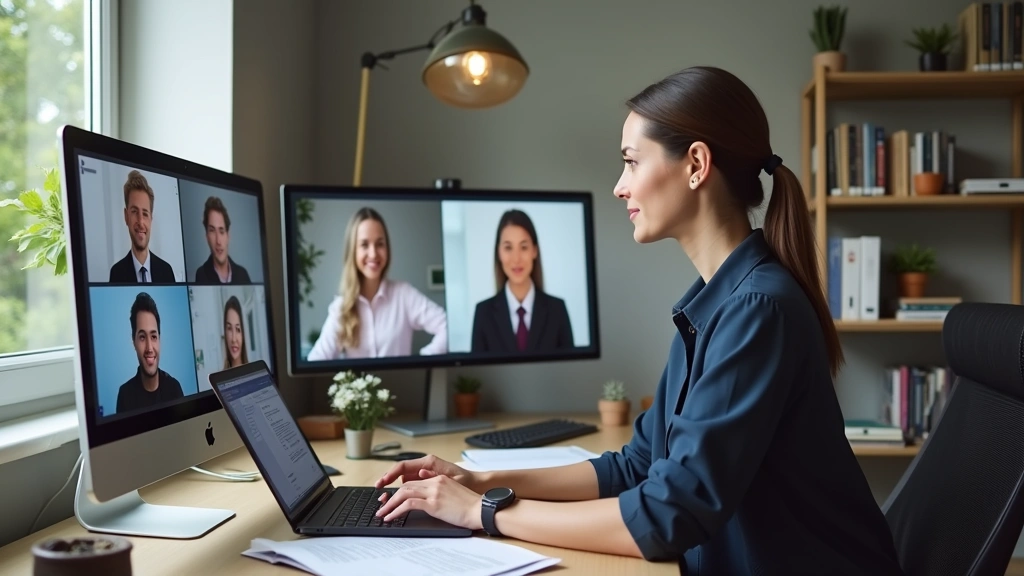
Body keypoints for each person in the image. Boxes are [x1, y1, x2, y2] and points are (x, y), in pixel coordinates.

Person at [370, 66, 905, 576]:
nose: (619, 186)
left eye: (631, 161)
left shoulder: (757, 310)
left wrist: (483, 512)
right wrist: (479, 478)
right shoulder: (713, 303)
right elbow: (638, 465)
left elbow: (670, 513)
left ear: (696, 164)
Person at [306, 207, 448, 360]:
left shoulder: (404, 294)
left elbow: (447, 326)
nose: (373, 254)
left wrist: (421, 361)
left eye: (380, 244)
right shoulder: (341, 308)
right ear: (352, 251)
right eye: (364, 245)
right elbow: (316, 359)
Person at [470, 209, 574, 354]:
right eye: (508, 248)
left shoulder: (557, 309)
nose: (516, 258)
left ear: (534, 251)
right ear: (498, 252)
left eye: (524, 247)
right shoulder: (483, 312)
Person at [116, 292, 184, 413]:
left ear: (159, 339)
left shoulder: (174, 388)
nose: (149, 348)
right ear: (134, 341)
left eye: (153, 337)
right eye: (142, 337)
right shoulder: (125, 395)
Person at [108, 170, 176, 284]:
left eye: (145, 213)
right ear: (126, 216)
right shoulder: (116, 274)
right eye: (134, 212)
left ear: (151, 220)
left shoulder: (167, 272)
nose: (140, 221)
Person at [194, 196, 252, 284]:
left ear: (228, 235)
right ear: (207, 236)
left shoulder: (242, 274)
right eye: (212, 231)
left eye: (221, 231)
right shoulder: (201, 275)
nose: (218, 241)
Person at [223, 295, 248, 368]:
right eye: (229, 328)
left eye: (238, 329)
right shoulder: (220, 378)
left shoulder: (255, 374)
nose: (234, 339)